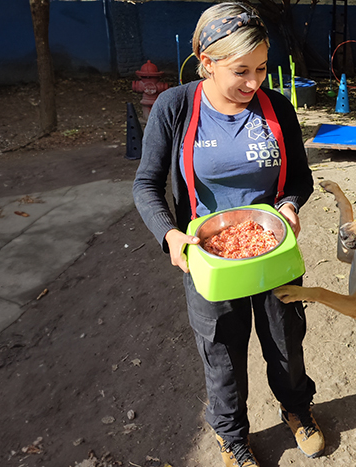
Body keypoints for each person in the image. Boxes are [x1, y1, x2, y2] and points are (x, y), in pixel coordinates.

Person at [132, 3, 323, 467]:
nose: (254, 82)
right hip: (210, 258)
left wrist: (289, 204)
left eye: (262, 68)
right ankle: (232, 435)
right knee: (222, 353)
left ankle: (297, 408)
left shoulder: (276, 108)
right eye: (241, 71)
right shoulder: (176, 107)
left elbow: (300, 177)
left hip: (272, 251)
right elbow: (146, 184)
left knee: (286, 341)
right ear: (207, 62)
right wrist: (171, 235)